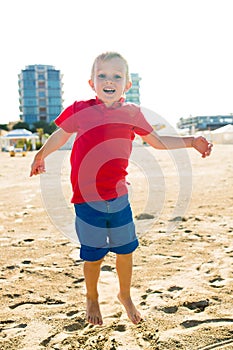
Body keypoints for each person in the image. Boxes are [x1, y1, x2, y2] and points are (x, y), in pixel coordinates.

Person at [30, 51, 212, 326]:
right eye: (102, 75)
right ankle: (91, 296)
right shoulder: (81, 109)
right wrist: (41, 154)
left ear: (127, 85)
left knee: (125, 251)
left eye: (117, 76)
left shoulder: (132, 113)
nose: (109, 80)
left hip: (118, 198)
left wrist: (190, 141)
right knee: (93, 256)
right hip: (86, 200)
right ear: (91, 83)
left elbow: (158, 142)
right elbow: (61, 134)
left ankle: (124, 295)